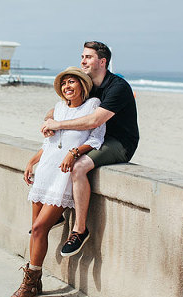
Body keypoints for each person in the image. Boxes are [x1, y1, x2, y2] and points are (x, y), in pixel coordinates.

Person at [7, 67, 105, 297]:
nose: (67, 87)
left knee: (40, 228)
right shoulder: (58, 109)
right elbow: (49, 143)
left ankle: (29, 283)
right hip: (45, 171)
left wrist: (74, 153)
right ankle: (35, 280)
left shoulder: (92, 106)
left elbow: (95, 139)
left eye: (72, 82)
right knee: (35, 227)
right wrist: (32, 161)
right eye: (64, 84)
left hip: (63, 175)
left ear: (82, 85)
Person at [41, 41, 139, 257]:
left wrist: (58, 125)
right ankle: (56, 210)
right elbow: (63, 105)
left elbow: (95, 120)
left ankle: (80, 229)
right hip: (93, 138)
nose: (83, 61)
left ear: (102, 62)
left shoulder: (118, 87)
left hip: (117, 142)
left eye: (88, 57)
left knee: (78, 167)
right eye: (82, 57)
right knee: (57, 155)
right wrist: (49, 120)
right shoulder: (90, 85)